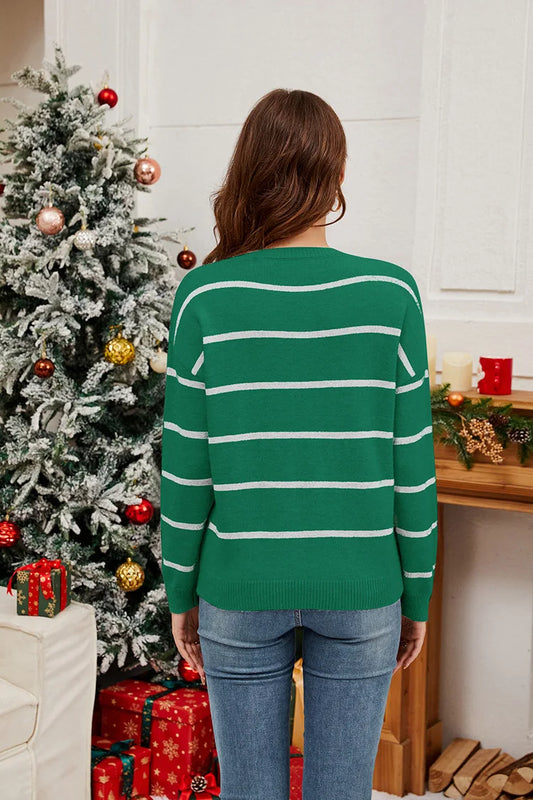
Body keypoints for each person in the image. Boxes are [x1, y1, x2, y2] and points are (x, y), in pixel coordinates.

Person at [160, 88, 438, 800]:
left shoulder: (204, 297)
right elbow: (412, 470)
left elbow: (186, 471)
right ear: (336, 174)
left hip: (238, 587)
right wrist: (415, 595)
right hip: (362, 588)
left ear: (249, 170)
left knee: (248, 790)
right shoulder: (392, 295)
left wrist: (180, 591)